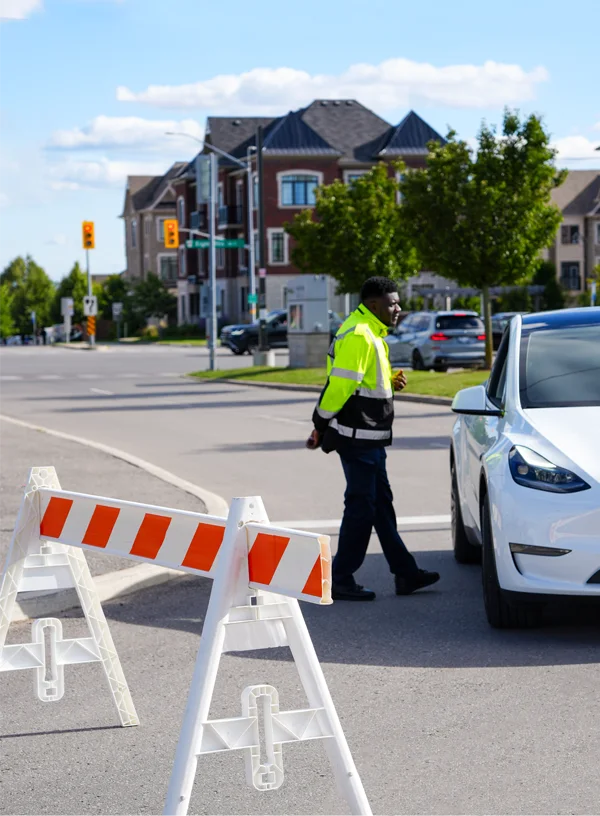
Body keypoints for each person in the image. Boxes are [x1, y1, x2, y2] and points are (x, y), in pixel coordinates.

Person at [306, 276, 440, 601]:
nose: (399, 308)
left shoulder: (371, 334)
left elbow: (364, 383)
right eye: (393, 303)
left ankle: (405, 573)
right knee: (361, 507)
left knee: (380, 505)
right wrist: (319, 423)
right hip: (358, 438)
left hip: (369, 437)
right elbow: (340, 386)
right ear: (373, 304)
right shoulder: (360, 336)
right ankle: (339, 577)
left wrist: (390, 382)